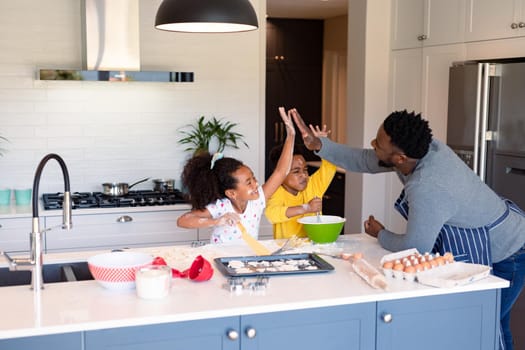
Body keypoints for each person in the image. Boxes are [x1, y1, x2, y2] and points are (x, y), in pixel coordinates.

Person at [291, 108, 525, 350]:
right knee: (494, 323)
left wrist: (380, 233)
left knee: (484, 323)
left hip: (508, 250)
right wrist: (320, 145)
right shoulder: (421, 150)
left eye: (378, 144)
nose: (373, 144)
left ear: (400, 158)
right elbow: (364, 160)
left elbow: (414, 247)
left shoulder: (428, 186)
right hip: (488, 235)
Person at [177, 107, 295, 244]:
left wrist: (291, 136)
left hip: (246, 259)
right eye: (248, 182)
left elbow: (281, 172)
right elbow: (183, 220)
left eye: (254, 178)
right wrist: (217, 221)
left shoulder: (257, 200)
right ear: (232, 193)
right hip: (219, 257)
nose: (256, 184)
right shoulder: (221, 207)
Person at [265, 127, 337, 239]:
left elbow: (330, 167)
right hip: (287, 251)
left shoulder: (312, 185)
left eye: (305, 169)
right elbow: (272, 215)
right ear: (280, 174)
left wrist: (323, 145)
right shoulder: (276, 192)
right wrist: (306, 207)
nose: (304, 175)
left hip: (314, 246)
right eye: (296, 171)